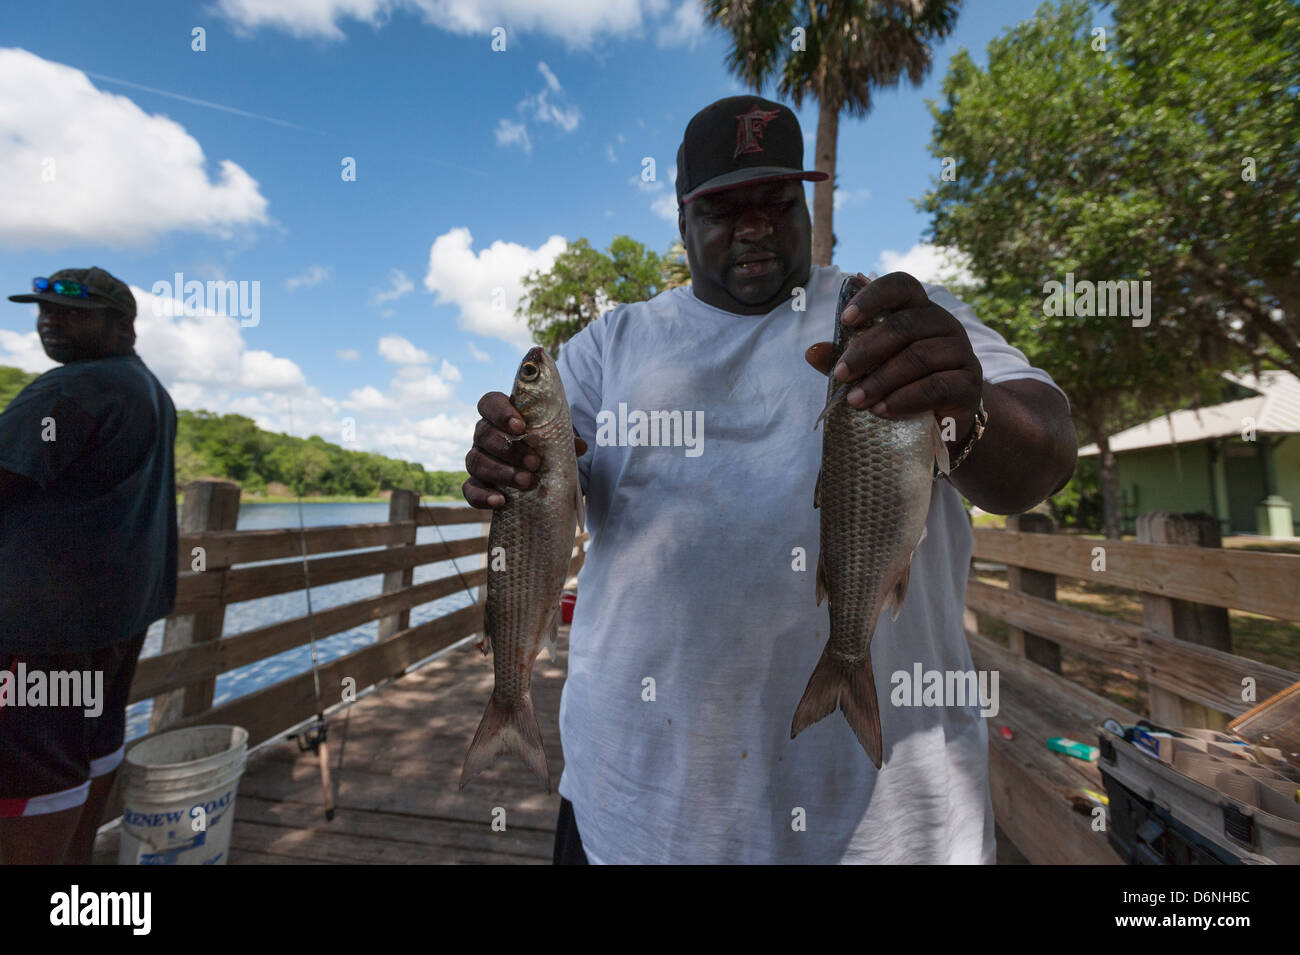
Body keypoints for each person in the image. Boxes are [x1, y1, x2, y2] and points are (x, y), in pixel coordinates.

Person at [463, 97, 1077, 864]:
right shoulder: (607, 346)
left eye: (777, 202)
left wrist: (971, 406)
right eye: (725, 208)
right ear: (682, 219)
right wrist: (509, 464)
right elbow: (543, 490)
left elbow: (1048, 450)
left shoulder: (899, 319)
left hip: (886, 831)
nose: (755, 226)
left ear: (807, 208)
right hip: (633, 810)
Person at [0, 267, 178, 864]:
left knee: (28, 778)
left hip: (39, 624)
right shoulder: (148, 388)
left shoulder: (70, 389)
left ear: (122, 325)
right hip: (115, 619)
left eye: (72, 312)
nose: (50, 320)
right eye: (44, 309)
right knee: (92, 746)